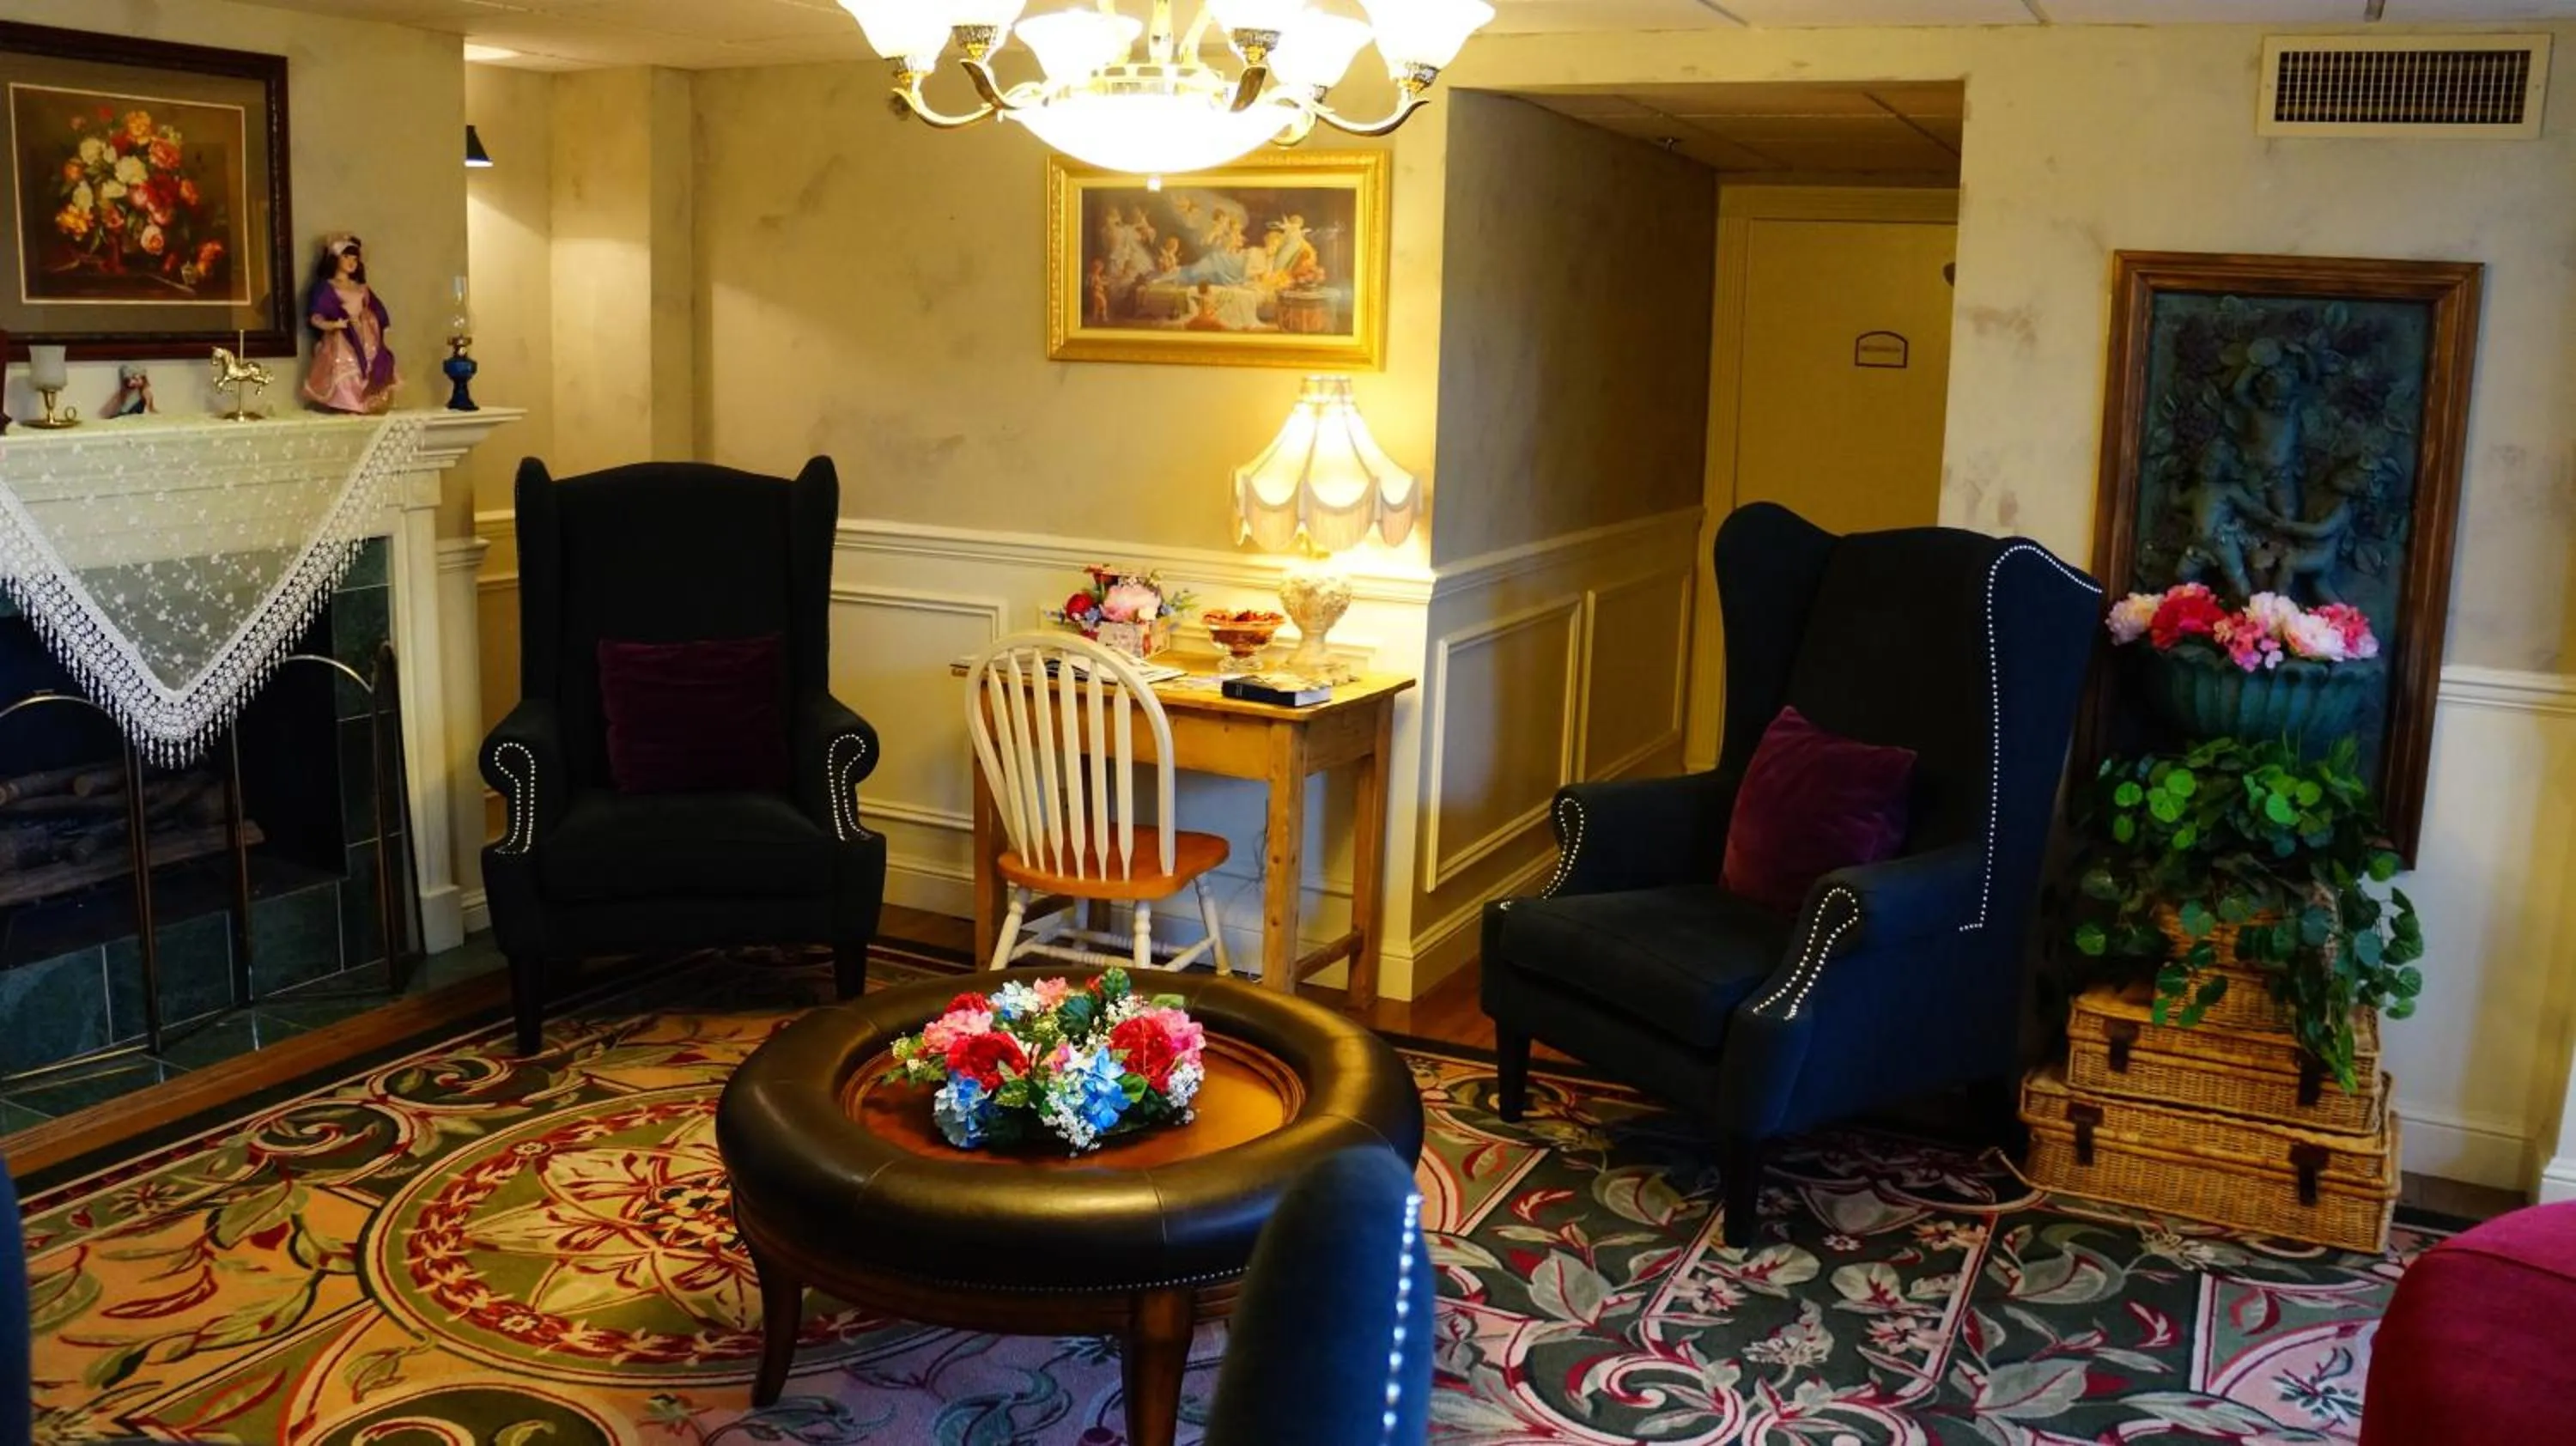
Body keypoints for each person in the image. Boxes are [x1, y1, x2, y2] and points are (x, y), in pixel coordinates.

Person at [301, 233, 398, 413]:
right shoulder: (327, 287)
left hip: (365, 335)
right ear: (335, 258)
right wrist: (332, 325)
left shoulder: (361, 287)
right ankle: (346, 403)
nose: (351, 262)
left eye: (355, 258)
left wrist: (376, 325)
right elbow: (316, 315)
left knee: (370, 365)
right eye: (346, 257)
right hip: (342, 336)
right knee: (345, 366)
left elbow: (376, 309)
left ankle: (364, 401)